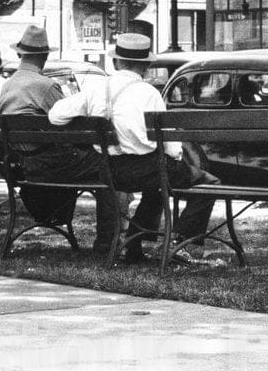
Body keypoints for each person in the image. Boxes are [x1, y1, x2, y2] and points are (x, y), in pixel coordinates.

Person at [49, 32, 220, 263]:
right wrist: (177, 158)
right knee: (209, 182)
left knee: (160, 184)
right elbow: (170, 146)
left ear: (116, 62)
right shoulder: (149, 93)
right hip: (147, 168)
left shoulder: (95, 90)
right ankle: (180, 242)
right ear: (146, 66)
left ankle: (136, 242)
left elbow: (55, 115)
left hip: (109, 170)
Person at [0, 25, 118, 252]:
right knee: (110, 166)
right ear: (44, 56)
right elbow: (71, 125)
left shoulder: (7, 85)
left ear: (19, 54)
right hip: (54, 164)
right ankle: (106, 240)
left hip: (25, 166)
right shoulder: (45, 86)